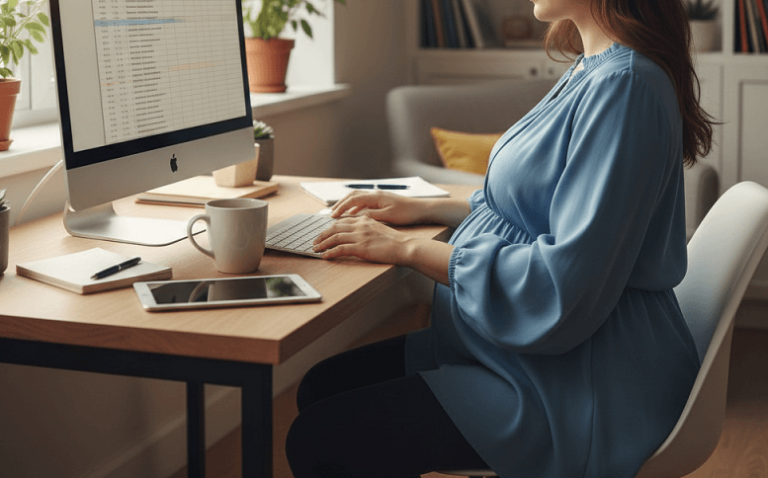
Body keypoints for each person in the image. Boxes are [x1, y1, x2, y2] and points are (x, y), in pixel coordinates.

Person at [285, 0, 715, 476]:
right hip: (514, 351)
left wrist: (409, 248)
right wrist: (424, 208)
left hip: (576, 383)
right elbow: (535, 204)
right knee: (322, 386)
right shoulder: (593, 69)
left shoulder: (625, 87)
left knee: (318, 438)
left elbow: (561, 286)